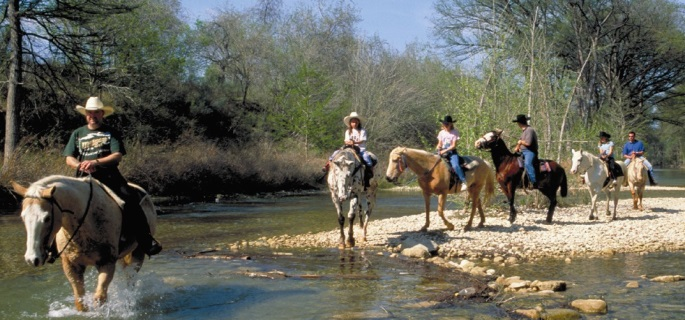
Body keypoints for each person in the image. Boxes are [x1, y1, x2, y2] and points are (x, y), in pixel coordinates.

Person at [63, 96, 162, 257]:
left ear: (102, 114)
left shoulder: (111, 132)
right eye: (89, 113)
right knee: (60, 203)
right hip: (82, 177)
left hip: (109, 176)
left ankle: (145, 240)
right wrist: (79, 164)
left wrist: (95, 162)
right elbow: (69, 158)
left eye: (96, 113)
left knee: (130, 199)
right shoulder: (77, 133)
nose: (92, 116)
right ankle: (52, 247)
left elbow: (117, 156)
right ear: (85, 114)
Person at [322, 112, 374, 188]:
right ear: (350, 123)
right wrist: (349, 142)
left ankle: (369, 173)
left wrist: (354, 142)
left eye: (356, 122)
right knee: (336, 153)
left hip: (360, 149)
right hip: (349, 147)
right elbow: (345, 141)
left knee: (366, 158)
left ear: (358, 122)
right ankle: (327, 166)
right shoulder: (348, 131)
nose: (354, 123)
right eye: (353, 122)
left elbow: (362, 140)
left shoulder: (362, 131)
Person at [436, 115, 468, 192]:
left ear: (451, 124)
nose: (446, 125)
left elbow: (453, 146)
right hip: (441, 151)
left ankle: (464, 181)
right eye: (444, 124)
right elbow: (439, 143)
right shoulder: (441, 133)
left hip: (451, 152)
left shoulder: (454, 132)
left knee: (456, 165)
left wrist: (445, 150)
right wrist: (438, 147)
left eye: (447, 124)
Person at [513, 114, 538, 189]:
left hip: (530, 152)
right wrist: (517, 147)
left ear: (519, 123)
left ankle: (533, 182)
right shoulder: (524, 131)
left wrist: (520, 142)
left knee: (527, 163)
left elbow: (528, 143)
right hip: (522, 151)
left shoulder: (529, 130)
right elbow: (520, 142)